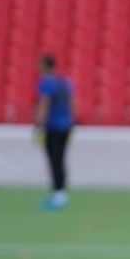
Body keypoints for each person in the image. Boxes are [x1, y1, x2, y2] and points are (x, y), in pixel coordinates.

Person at [33, 54, 75, 210]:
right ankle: (61, 193)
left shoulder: (46, 83)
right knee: (60, 160)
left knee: (54, 160)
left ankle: (57, 195)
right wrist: (72, 120)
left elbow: (44, 103)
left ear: (45, 66)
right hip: (66, 126)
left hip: (53, 127)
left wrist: (38, 123)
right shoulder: (65, 82)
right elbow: (72, 102)